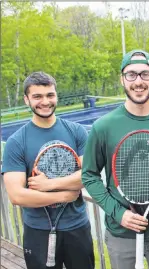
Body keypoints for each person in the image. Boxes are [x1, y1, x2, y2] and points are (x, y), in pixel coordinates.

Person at [81, 49, 149, 269]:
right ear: (122, 79)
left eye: (145, 74)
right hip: (122, 234)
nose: (138, 81)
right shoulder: (103, 127)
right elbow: (89, 176)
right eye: (131, 75)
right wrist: (119, 213)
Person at [1, 71, 95, 269]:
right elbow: (17, 195)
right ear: (27, 100)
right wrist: (64, 195)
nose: (45, 101)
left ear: (56, 96)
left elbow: (87, 176)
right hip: (38, 232)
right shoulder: (17, 142)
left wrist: (48, 185)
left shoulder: (77, 131)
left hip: (77, 227)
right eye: (37, 96)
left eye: (50, 95)